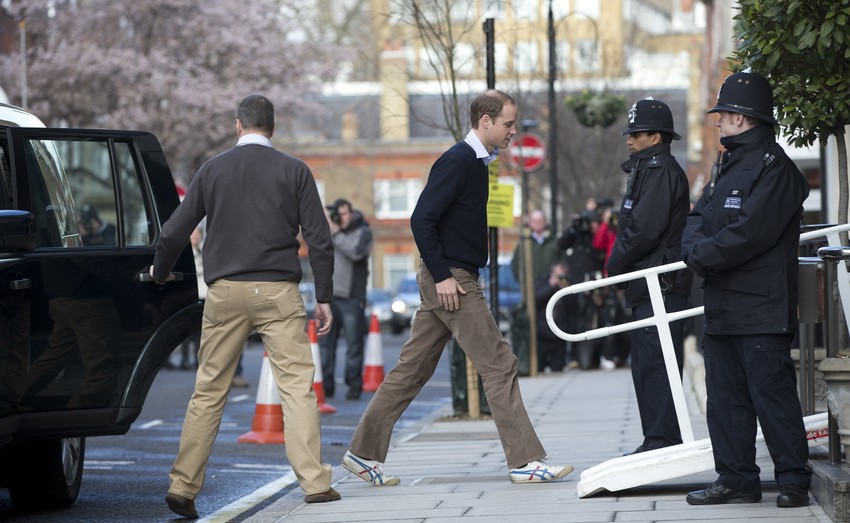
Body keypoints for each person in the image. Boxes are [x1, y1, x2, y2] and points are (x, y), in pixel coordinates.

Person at [342, 89, 573, 486]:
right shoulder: (459, 161)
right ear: (485, 121)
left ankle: (362, 454)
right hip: (452, 279)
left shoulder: (477, 163)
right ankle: (525, 461)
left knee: (412, 369)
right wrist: (444, 276)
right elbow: (420, 220)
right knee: (500, 364)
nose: (512, 131)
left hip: (450, 277)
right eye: (507, 124)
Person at [151, 94, 339, 518]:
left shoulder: (212, 169)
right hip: (278, 291)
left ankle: (183, 486)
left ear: (238, 125)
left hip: (224, 291)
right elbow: (320, 239)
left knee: (209, 390)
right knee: (296, 390)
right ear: (272, 128)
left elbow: (174, 231)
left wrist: (161, 271)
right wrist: (324, 296)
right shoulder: (295, 170)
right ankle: (314, 483)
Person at [682, 72, 811, 508]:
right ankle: (736, 478)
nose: (716, 122)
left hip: (760, 309)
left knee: (772, 399)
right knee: (726, 402)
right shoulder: (727, 164)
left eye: (721, 115)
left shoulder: (778, 170)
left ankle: (793, 479)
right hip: (722, 307)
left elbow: (749, 234)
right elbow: (695, 219)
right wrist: (695, 248)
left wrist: (700, 256)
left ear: (741, 117)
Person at [605, 98, 691, 454]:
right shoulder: (649, 169)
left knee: (657, 364)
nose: (629, 141)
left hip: (660, 285)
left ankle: (662, 439)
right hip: (648, 284)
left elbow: (643, 229)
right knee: (647, 364)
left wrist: (614, 265)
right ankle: (657, 437)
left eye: (637, 135)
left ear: (656, 137)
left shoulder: (660, 171)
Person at [320, 198, 373, 400]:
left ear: (351, 213)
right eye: (336, 214)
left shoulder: (363, 231)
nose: (339, 218)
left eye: (342, 214)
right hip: (329, 299)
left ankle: (353, 386)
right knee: (326, 347)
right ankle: (326, 386)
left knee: (354, 347)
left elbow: (356, 252)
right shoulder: (328, 231)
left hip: (352, 299)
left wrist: (335, 231)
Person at [533, 260, 576, 372]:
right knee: (539, 368)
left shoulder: (569, 284)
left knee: (557, 369)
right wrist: (550, 286)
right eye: (558, 275)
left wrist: (566, 290)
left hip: (560, 335)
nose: (561, 278)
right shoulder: (543, 282)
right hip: (542, 334)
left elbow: (574, 308)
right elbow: (536, 300)